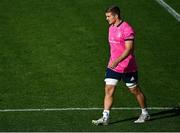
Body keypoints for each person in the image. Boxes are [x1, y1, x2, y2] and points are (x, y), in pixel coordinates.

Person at [92, 5, 150, 125]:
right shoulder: (111, 28)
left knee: (135, 90)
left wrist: (117, 60)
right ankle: (105, 117)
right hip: (113, 66)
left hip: (128, 67)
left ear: (116, 16)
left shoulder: (127, 29)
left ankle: (145, 113)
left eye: (108, 16)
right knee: (108, 89)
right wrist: (113, 62)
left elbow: (129, 49)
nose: (106, 19)